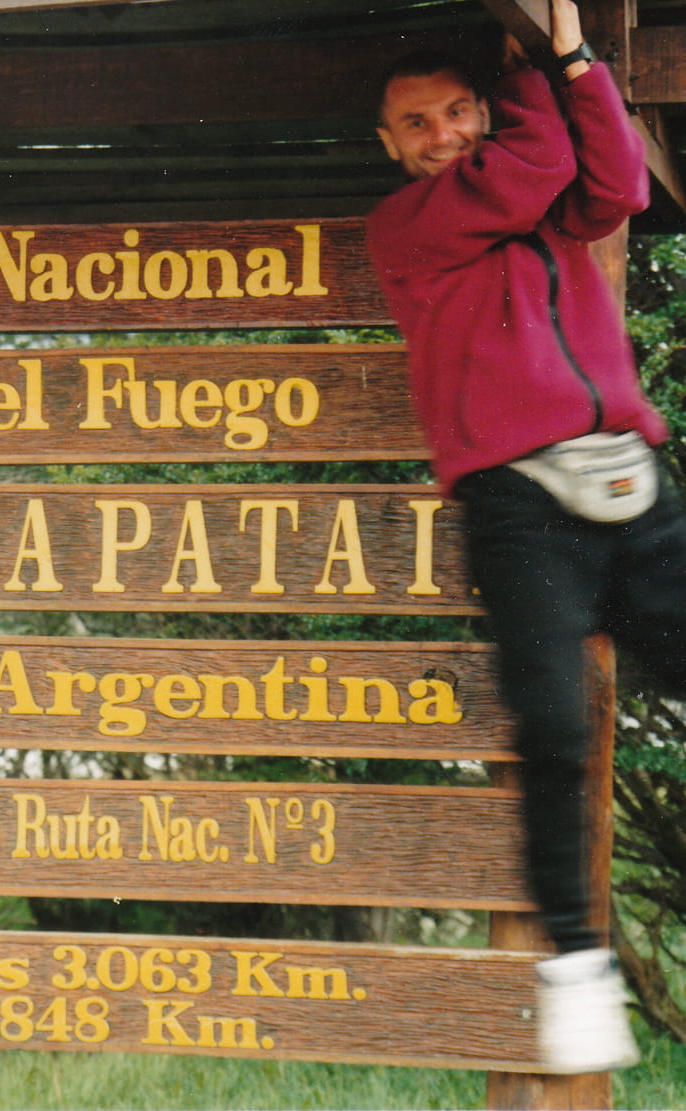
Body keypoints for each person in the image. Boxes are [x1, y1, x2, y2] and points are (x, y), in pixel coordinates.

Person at [365, 0, 684, 1074]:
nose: (444, 133)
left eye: (460, 111)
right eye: (420, 123)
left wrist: (578, 59)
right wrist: (545, 58)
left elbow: (622, 184)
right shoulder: (408, 229)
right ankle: (580, 970)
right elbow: (536, 160)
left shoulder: (544, 202)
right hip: (517, 505)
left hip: (629, 484)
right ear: (389, 143)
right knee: (551, 730)